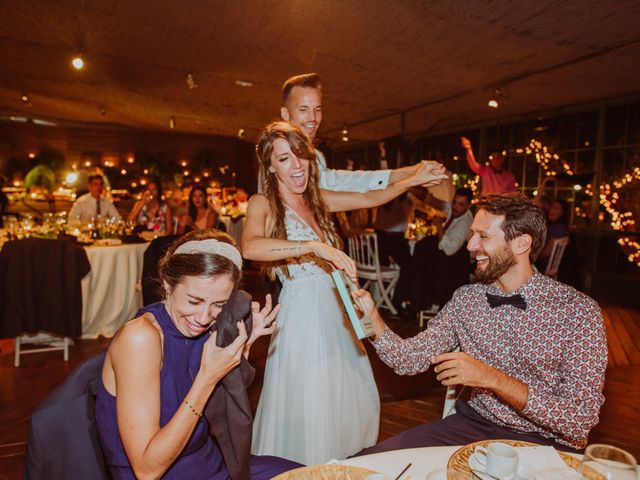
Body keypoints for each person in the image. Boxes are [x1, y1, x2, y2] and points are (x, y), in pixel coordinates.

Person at [242, 121, 447, 464]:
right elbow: (250, 247)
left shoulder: (317, 199)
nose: (297, 166)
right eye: (284, 158)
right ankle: (304, 465)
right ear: (271, 166)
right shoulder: (262, 202)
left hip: (337, 307)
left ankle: (341, 465)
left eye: (301, 156)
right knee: (311, 397)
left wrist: (413, 180)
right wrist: (312, 247)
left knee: (352, 391)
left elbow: (369, 196)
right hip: (303, 313)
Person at [355, 193, 607, 454]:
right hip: (472, 426)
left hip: (546, 443)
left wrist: (490, 378)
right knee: (367, 461)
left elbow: (580, 419)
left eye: (483, 236)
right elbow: (408, 359)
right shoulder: (467, 299)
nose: (470, 244)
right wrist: (374, 322)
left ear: (521, 244)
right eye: (472, 234)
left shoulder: (578, 312)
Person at [95, 229, 299, 479]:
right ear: (168, 286)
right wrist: (207, 378)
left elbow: (222, 401)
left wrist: (243, 346)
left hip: (210, 464)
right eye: (193, 301)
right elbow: (147, 470)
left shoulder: (209, 325)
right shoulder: (141, 339)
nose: (203, 318)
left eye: (219, 304)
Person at [279, 73, 429, 192]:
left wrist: (410, 172)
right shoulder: (277, 156)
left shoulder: (317, 157)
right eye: (303, 109)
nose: (313, 118)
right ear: (285, 114)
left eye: (317, 109)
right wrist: (411, 178)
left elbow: (342, 181)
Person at [410, 187, 474, 312]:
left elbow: (449, 249)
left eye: (460, 204)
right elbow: (433, 201)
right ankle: (417, 300)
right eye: (454, 202)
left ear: (468, 205)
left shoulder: (465, 222)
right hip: (443, 259)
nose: (455, 207)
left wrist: (439, 226)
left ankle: (424, 302)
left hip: (455, 266)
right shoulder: (454, 210)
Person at [535, 199, 570, 273]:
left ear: (562, 213)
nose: (552, 211)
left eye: (556, 209)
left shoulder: (558, 229)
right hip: (548, 266)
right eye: (552, 208)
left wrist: (534, 257)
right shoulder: (560, 227)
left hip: (542, 267)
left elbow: (547, 252)